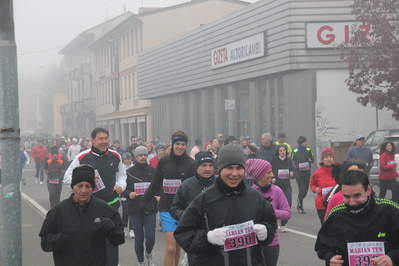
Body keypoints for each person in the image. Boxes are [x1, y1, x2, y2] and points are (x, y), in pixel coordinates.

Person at [174, 144, 277, 266]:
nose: (234, 173)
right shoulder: (204, 200)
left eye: (239, 168)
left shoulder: (255, 197)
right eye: (229, 167)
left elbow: (271, 222)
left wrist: (267, 231)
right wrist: (207, 237)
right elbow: (183, 234)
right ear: (220, 169)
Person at [63, 127, 127, 266]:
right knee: (93, 242)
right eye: (100, 139)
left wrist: (121, 186)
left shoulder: (116, 156)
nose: (104, 142)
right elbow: (67, 178)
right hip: (90, 207)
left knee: (112, 242)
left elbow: (122, 174)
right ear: (92, 140)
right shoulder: (82, 157)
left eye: (106, 138)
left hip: (112, 204)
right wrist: (85, 180)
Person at [39, 164, 125, 266]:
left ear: (92, 188)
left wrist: (112, 228)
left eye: (88, 186)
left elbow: (119, 239)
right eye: (79, 186)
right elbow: (45, 242)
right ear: (73, 187)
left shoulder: (103, 208)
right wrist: (58, 239)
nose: (83, 191)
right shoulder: (59, 210)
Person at [315, 170, 399, 266]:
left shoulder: (390, 210)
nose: (352, 202)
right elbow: (322, 246)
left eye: (357, 195)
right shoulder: (336, 215)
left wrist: (392, 257)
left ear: (368, 190)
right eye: (346, 196)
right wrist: (330, 257)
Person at [140, 130, 196, 266]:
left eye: (183, 144)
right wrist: (144, 201)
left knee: (177, 247)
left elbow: (194, 187)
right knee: (171, 247)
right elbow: (155, 183)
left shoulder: (191, 163)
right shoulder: (164, 161)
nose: (180, 147)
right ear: (173, 145)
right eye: (178, 144)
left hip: (184, 210)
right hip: (166, 208)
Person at [170, 151, 217, 266]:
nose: (208, 169)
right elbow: (174, 208)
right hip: (195, 238)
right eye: (204, 165)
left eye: (210, 165)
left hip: (218, 237)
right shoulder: (186, 185)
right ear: (196, 168)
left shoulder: (220, 184)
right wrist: (187, 216)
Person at [245, 158, 291, 266]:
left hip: (272, 241)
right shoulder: (249, 192)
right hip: (252, 242)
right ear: (259, 175)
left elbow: (287, 213)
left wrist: (270, 211)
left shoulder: (277, 190)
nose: (272, 175)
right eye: (268, 172)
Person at [122, 146, 157, 266]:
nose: (143, 157)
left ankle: (148, 253)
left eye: (145, 155)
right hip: (135, 209)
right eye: (140, 155)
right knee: (139, 237)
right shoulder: (129, 172)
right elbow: (122, 189)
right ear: (135, 157)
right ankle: (141, 262)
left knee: (150, 236)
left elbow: (158, 187)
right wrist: (128, 194)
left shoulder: (153, 171)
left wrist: (158, 195)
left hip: (150, 208)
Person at [310, 148, 340, 225]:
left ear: (333, 158)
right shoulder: (317, 173)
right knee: (325, 225)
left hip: (335, 202)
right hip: (321, 203)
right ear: (323, 160)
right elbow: (312, 184)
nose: (329, 159)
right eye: (326, 157)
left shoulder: (338, 170)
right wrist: (315, 189)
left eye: (330, 157)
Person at [270, 144, 294, 232]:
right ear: (278, 152)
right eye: (280, 150)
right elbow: (270, 171)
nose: (282, 152)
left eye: (284, 150)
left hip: (287, 186)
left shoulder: (289, 160)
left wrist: (292, 173)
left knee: (288, 204)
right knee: (275, 205)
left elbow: (292, 170)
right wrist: (272, 178)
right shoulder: (274, 160)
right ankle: (274, 223)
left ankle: (283, 224)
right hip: (277, 186)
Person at [291, 135, 314, 214]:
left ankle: (299, 200)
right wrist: (293, 169)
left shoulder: (308, 150)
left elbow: (313, 159)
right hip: (299, 173)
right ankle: (300, 206)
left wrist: (311, 160)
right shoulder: (295, 151)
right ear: (300, 143)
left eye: (306, 141)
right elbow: (291, 161)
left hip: (307, 173)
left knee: (305, 190)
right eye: (304, 142)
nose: (306, 143)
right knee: (302, 189)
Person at [121, 152, 134, 238]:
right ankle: (124, 227)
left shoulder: (133, 167)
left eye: (129, 159)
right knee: (125, 212)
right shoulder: (121, 168)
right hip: (124, 191)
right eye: (125, 159)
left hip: (132, 192)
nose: (127, 161)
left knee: (132, 212)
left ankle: (132, 229)